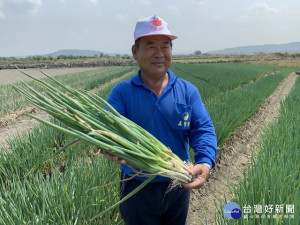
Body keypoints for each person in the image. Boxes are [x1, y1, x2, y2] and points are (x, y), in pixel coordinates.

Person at [102, 15, 217, 225]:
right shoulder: (122, 93)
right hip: (136, 187)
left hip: (177, 184)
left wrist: (205, 161)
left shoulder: (188, 91)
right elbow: (105, 130)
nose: (159, 53)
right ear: (135, 52)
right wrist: (109, 147)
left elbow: (202, 129)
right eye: (150, 46)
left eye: (165, 46)